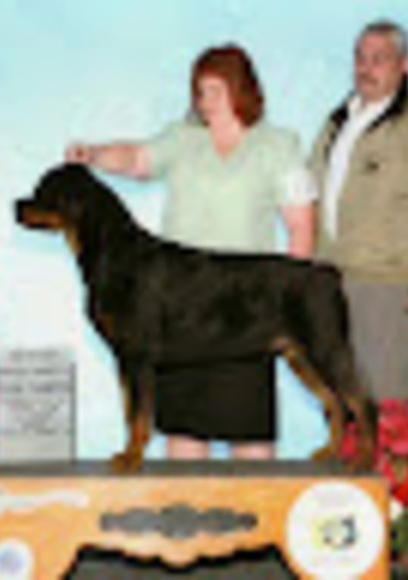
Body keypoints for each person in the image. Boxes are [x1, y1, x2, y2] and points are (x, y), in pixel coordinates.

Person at [67, 45, 316, 460]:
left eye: (216, 90)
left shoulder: (280, 146)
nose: (205, 101)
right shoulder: (181, 139)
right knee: (183, 436)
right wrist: (94, 154)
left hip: (244, 306)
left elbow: (301, 228)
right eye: (200, 92)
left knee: (251, 438)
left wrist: (290, 303)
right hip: (180, 306)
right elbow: (136, 158)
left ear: (243, 89)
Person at [310, 21, 408, 406]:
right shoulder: (338, 121)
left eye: (378, 59)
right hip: (332, 281)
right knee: (344, 402)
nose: (365, 68)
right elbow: (311, 190)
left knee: (395, 404)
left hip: (390, 285)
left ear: (404, 65)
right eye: (360, 58)